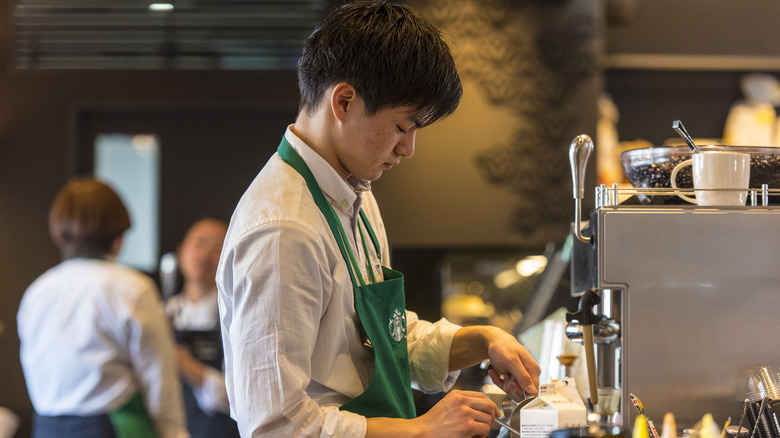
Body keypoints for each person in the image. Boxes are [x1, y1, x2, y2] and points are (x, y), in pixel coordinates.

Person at [216, 1, 541, 437]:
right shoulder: (283, 229)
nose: (408, 150)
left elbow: (379, 341)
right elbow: (275, 424)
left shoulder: (356, 193)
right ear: (344, 101)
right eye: (403, 127)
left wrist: (481, 340)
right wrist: (424, 429)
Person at [17, 177, 189, 438]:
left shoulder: (36, 291)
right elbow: (159, 381)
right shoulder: (131, 287)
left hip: (47, 427)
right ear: (118, 234)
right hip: (111, 428)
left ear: (59, 230)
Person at [165, 218, 239, 438]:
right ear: (181, 250)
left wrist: (182, 361)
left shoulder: (235, 317)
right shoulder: (162, 313)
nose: (205, 254)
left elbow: (236, 399)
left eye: (217, 246)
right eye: (199, 243)